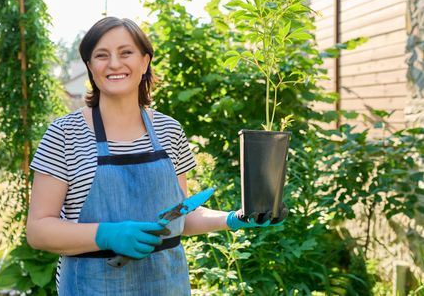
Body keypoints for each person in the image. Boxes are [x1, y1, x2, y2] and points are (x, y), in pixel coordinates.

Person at [26, 17, 287, 295]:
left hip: (167, 284)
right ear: (90, 67)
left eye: (126, 52)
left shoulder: (169, 130)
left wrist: (234, 218)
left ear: (145, 61)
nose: (114, 63)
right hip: (91, 285)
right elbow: (39, 230)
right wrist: (106, 235)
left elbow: (180, 216)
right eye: (101, 55)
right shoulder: (64, 133)